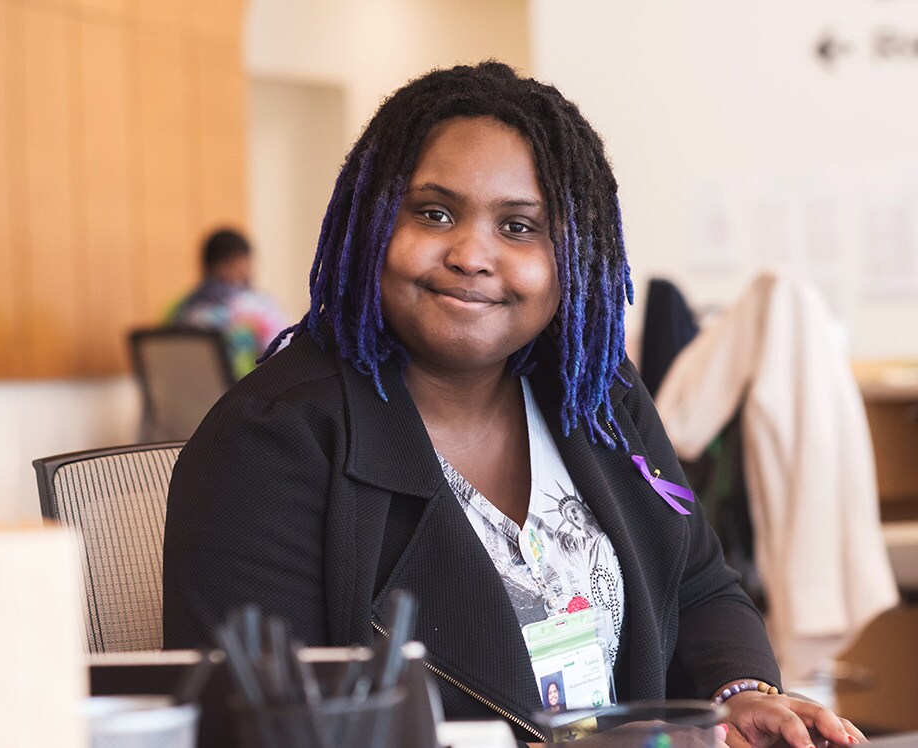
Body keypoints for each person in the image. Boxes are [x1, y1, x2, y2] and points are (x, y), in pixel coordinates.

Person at [162, 63, 864, 745]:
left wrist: (740, 694)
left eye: (520, 226)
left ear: (572, 258)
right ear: (368, 228)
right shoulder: (269, 442)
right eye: (434, 213)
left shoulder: (596, 395)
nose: (472, 254)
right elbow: (261, 725)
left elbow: (698, 581)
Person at [166, 228, 288, 378]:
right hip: (242, 394)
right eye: (245, 262)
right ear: (234, 263)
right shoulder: (256, 307)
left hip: (190, 394)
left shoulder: (179, 308)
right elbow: (284, 356)